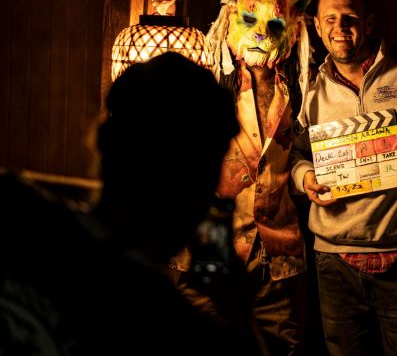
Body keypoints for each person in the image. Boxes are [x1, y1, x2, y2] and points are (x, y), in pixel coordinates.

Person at [0, 52, 247, 355]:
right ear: (200, 184)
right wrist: (238, 311)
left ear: (106, 146)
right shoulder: (175, 328)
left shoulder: (17, 213)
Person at [171, 0, 315, 356]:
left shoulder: (302, 86)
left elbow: (299, 153)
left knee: (283, 347)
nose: (262, 33)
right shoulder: (204, 78)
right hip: (212, 246)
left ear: (294, 26)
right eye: (250, 19)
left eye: (275, 24)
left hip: (278, 255)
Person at [290, 0, 397, 356]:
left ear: (368, 23)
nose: (340, 27)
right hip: (334, 260)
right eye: (330, 19)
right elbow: (295, 156)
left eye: (350, 18)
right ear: (317, 27)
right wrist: (305, 178)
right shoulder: (307, 87)